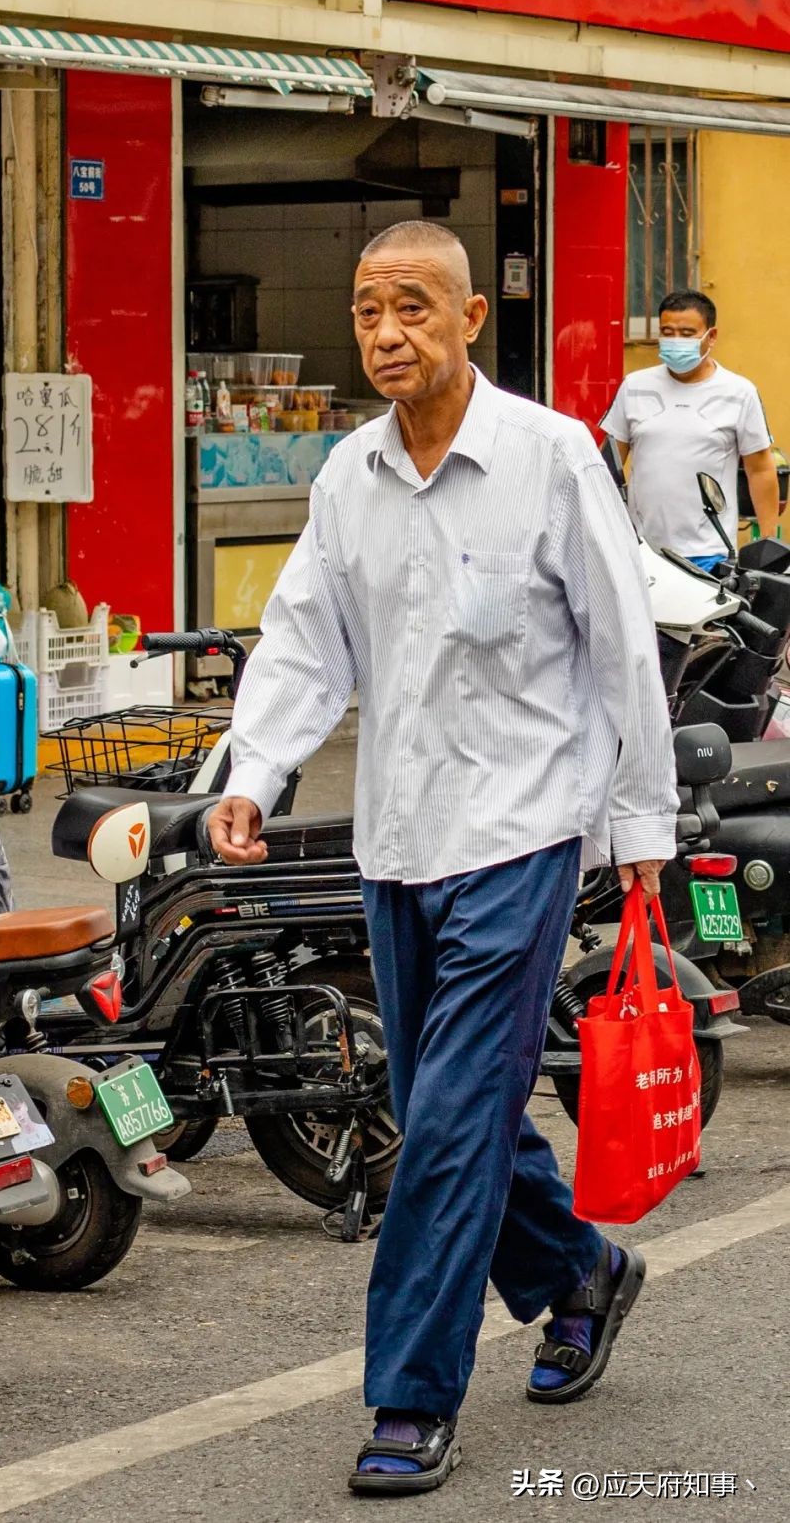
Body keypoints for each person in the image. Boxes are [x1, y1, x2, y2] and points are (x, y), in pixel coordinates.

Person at [208, 221, 679, 1497]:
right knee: (436, 1113)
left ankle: (411, 1396)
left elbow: (621, 647)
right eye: (368, 310)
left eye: (414, 307)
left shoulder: (549, 456)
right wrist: (252, 776)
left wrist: (641, 830)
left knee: (453, 1121)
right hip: (401, 837)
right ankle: (578, 1272)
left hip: (523, 832)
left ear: (473, 321)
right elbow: (306, 641)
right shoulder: (348, 477)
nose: (386, 332)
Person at [602, 289, 779, 573]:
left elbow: (760, 469)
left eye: (687, 333)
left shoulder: (739, 393)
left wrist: (769, 544)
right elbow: (608, 466)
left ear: (711, 336)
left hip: (709, 553)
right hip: (640, 549)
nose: (676, 341)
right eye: (667, 332)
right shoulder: (634, 386)